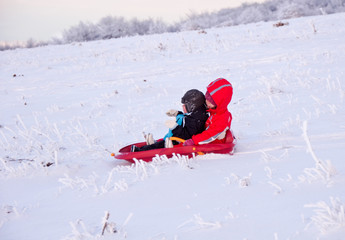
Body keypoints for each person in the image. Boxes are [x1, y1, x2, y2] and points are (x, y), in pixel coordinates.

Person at [131, 89, 208, 152]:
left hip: (180, 142)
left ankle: (140, 151)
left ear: (193, 106)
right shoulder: (196, 115)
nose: (183, 106)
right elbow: (186, 118)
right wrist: (177, 113)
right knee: (163, 141)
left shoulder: (197, 120)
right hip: (177, 139)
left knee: (162, 144)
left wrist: (175, 127)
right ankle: (153, 144)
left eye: (186, 105)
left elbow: (186, 136)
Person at [183, 78, 233, 146]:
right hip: (204, 138)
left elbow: (211, 134)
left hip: (214, 143)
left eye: (210, 101)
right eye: (206, 98)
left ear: (219, 103)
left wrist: (194, 140)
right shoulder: (214, 110)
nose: (206, 102)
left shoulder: (221, 119)